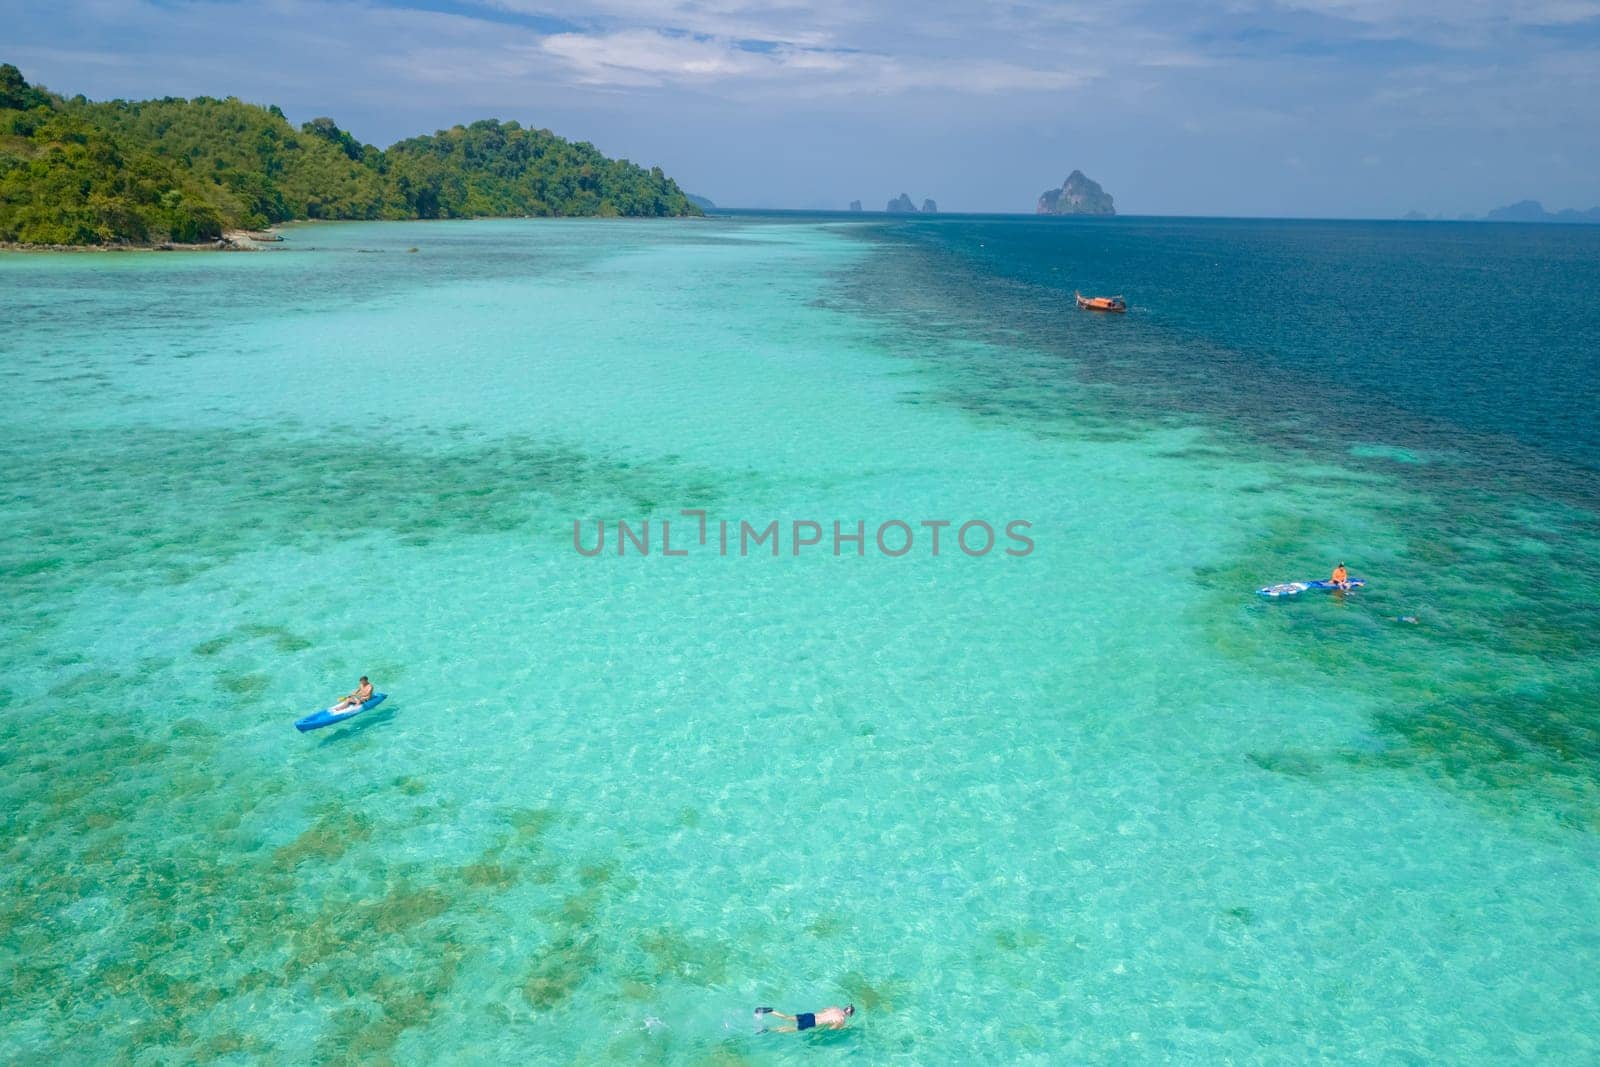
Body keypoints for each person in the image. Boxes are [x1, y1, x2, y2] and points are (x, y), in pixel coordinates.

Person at [754, 1005, 853, 1033]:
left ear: (845, 1007)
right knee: (790, 1029)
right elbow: (831, 1029)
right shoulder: (841, 1020)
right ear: (849, 1015)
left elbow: (824, 1009)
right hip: (813, 1022)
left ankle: (768, 1010)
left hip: (810, 1015)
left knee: (787, 1017)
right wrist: (842, 1027)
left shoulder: (835, 1007)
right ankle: (767, 1030)